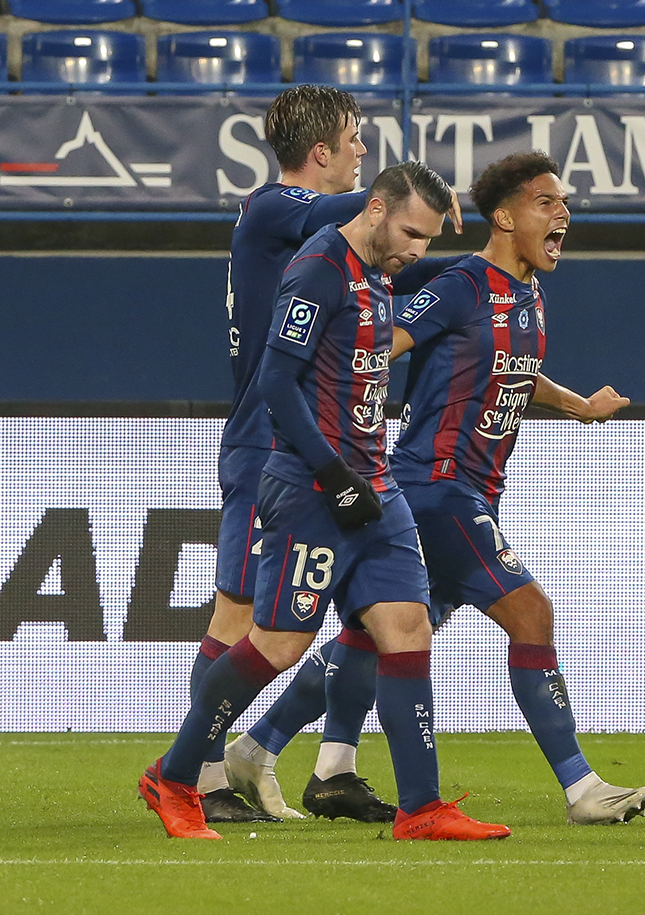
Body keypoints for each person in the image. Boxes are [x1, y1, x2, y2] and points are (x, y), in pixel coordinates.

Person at [226, 152, 645, 827]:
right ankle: (582, 787)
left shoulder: (529, 293)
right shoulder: (461, 285)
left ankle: (259, 742)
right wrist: (338, 422)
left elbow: (515, 370)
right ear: (506, 216)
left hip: (472, 491)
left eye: (562, 201)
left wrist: (577, 405)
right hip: (434, 489)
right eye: (546, 201)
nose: (562, 212)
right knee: (531, 615)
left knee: (373, 641)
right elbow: (377, 338)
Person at [140, 161, 510, 842]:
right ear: (374, 209)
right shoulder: (317, 270)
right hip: (314, 487)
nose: (416, 251)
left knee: (407, 626)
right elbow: (277, 383)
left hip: (376, 485)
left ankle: (421, 808)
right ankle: (176, 775)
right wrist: (331, 472)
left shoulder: (377, 270)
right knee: (278, 641)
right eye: (409, 233)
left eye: (427, 241)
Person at [197, 85, 462, 823]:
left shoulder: (334, 247)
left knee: (371, 618)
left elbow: (399, 259)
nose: (362, 149)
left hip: (322, 444)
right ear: (321, 152)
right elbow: (366, 210)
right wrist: (416, 197)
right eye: (354, 137)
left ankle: (336, 767)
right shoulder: (275, 207)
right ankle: (201, 772)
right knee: (239, 617)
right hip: (269, 438)